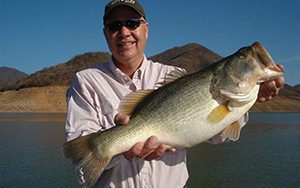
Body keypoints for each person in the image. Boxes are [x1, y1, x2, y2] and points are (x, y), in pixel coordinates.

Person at [65, 0, 285, 187]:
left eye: (132, 23)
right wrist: (122, 148)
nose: (124, 32)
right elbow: (82, 166)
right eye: (114, 26)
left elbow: (217, 134)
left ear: (146, 29)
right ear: (105, 34)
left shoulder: (172, 74)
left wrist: (249, 100)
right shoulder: (86, 81)